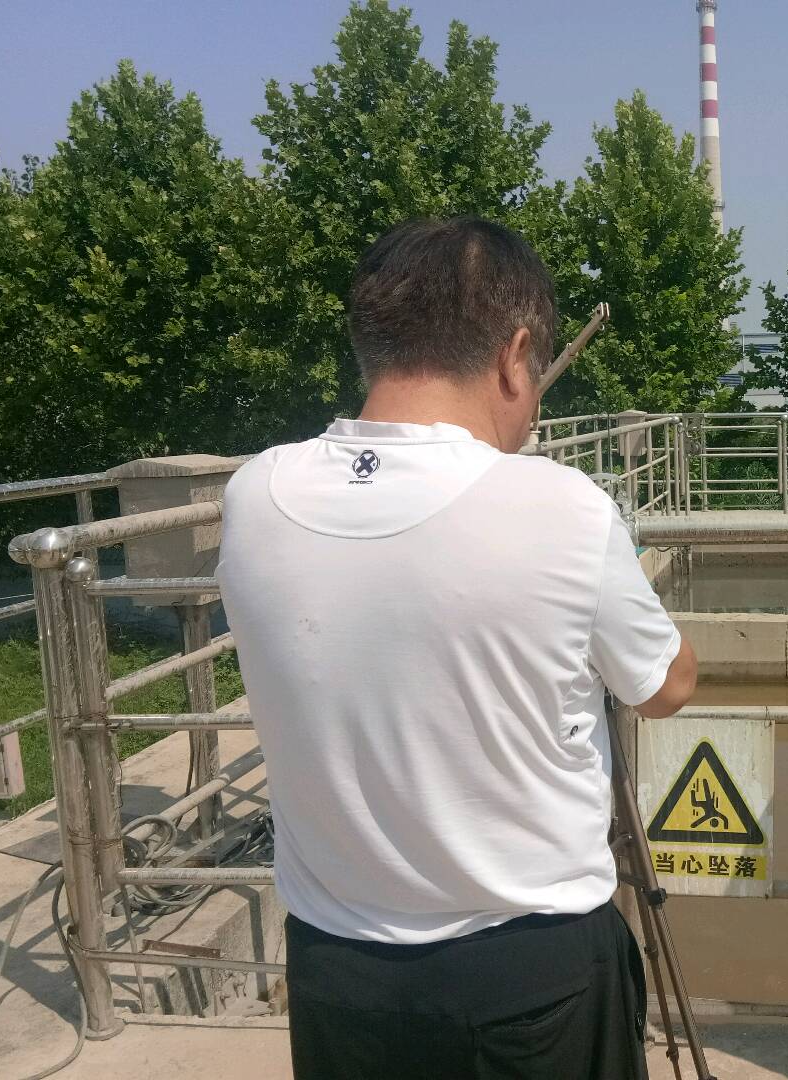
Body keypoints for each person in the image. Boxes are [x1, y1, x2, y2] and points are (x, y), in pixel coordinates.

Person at [217, 216, 697, 1079]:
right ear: (517, 355)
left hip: (337, 974)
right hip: (532, 978)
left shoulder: (255, 494)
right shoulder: (562, 507)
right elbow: (665, 686)